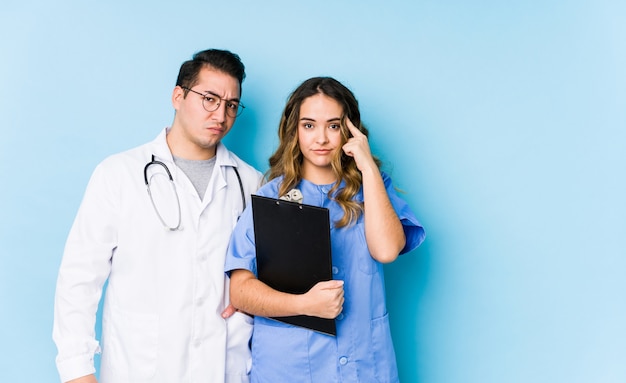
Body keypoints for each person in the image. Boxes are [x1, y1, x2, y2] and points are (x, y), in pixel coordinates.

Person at [53, 49, 263, 383]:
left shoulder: (250, 183)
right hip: (140, 368)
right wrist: (77, 370)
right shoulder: (119, 174)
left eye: (231, 105)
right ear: (178, 96)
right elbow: (78, 279)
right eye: (209, 98)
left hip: (224, 368)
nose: (221, 114)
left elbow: (263, 274)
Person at [225, 76, 426, 382]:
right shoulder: (269, 200)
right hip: (289, 367)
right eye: (309, 125)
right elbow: (240, 292)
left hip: (364, 365)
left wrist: (368, 167)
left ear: (350, 131)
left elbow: (386, 251)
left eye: (333, 125)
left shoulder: (374, 190)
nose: (321, 138)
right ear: (294, 130)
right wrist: (304, 304)